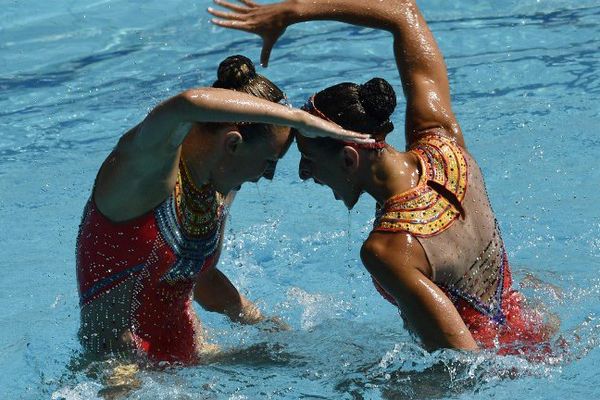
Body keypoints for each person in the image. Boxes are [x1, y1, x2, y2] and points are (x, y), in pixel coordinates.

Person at [209, 1, 557, 354]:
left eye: (309, 159)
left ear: (348, 158)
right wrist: (296, 11)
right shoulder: (443, 141)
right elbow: (404, 13)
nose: (303, 174)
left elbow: (463, 363)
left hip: (505, 366)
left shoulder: (390, 250)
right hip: (537, 329)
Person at [76, 54, 371, 364]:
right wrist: (297, 119)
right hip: (122, 375)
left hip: (189, 359)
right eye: (269, 162)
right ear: (232, 144)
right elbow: (185, 104)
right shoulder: (145, 174)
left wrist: (260, 322)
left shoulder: (217, 188)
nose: (266, 176)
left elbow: (200, 279)